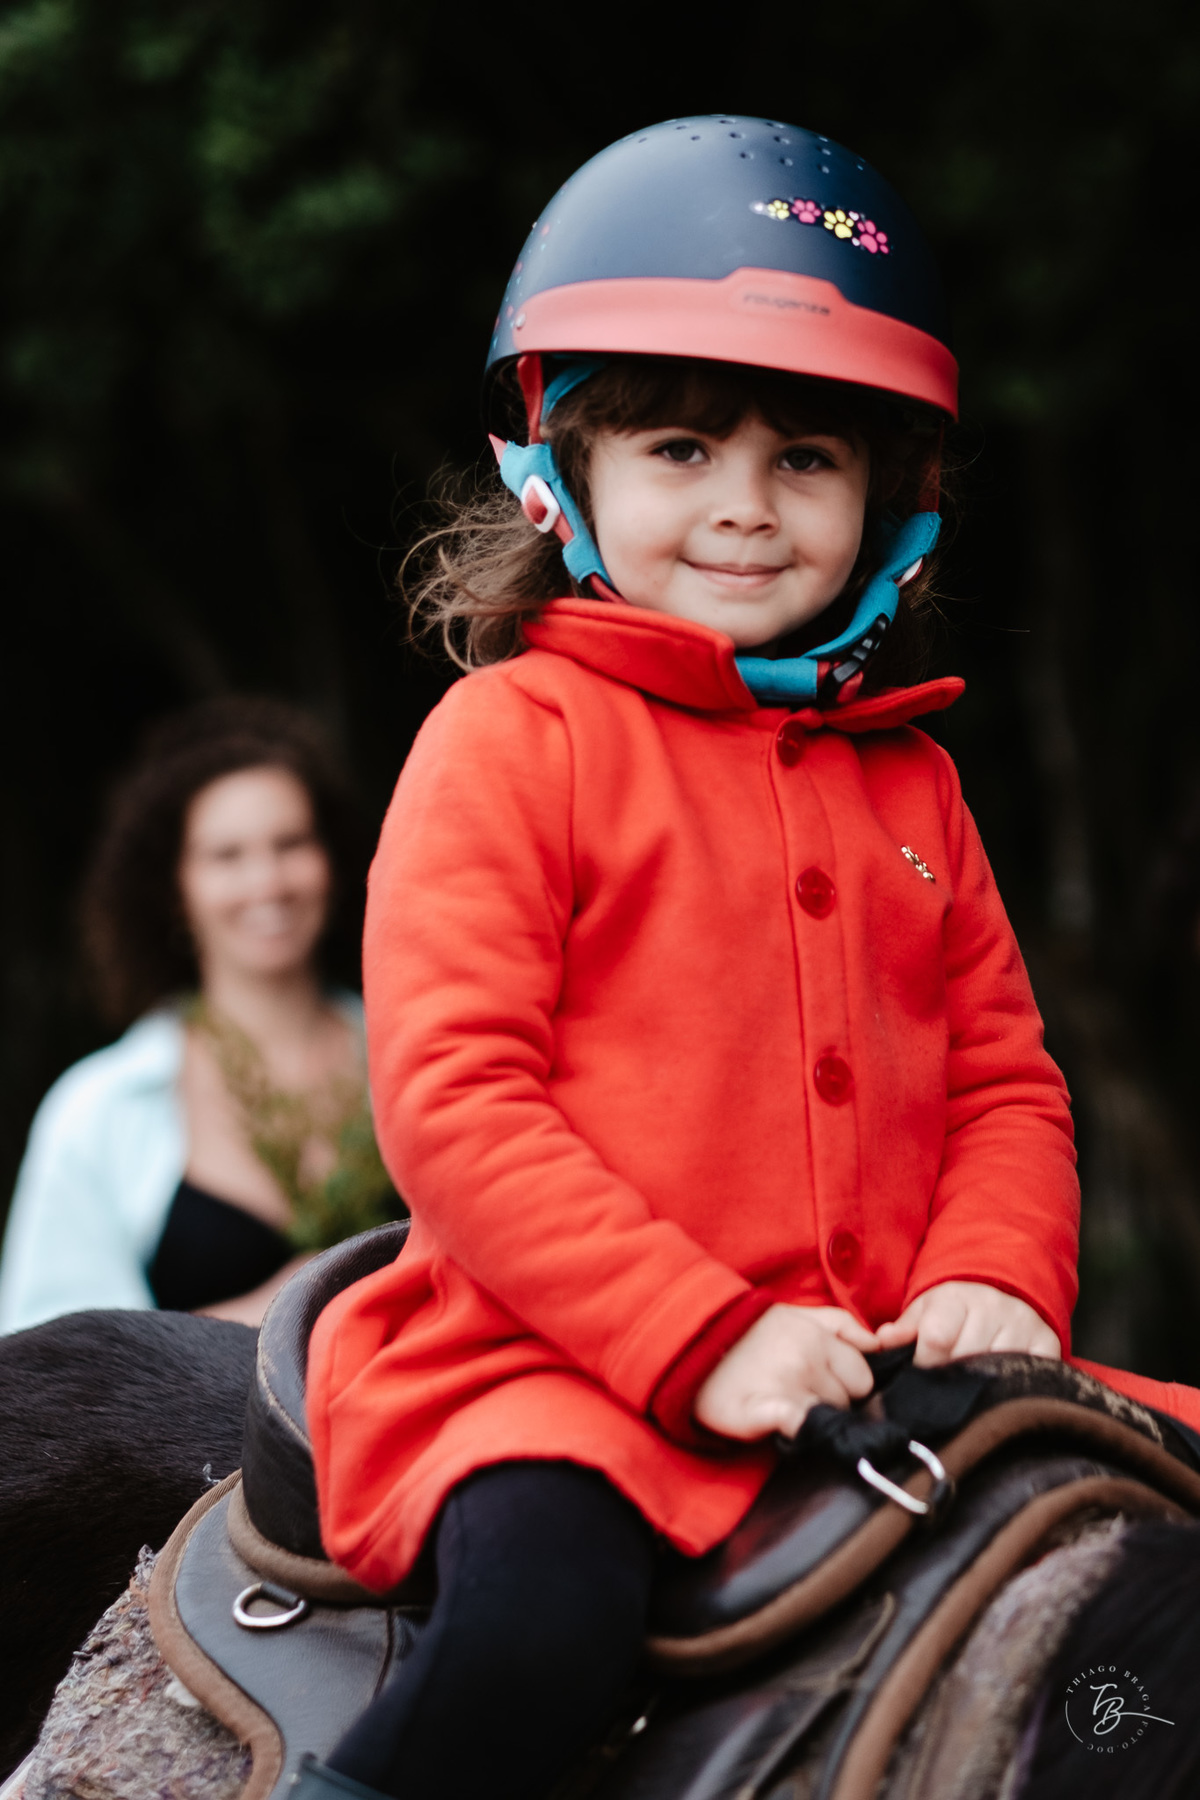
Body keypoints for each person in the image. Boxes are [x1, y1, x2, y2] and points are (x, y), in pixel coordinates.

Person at [300, 119, 1080, 1800]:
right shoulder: (509, 740)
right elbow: (456, 1100)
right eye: (679, 446)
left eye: (806, 458)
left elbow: (1005, 1082)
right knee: (546, 1631)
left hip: (881, 1369)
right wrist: (702, 1335)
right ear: (566, 474)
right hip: (556, 1374)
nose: (743, 505)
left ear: (891, 502)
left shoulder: (917, 785)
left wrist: (1000, 1271)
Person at [0, 697, 397, 1334]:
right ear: (174, 890)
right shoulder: (99, 1111)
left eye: (291, 843)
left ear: (332, 862)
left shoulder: (414, 1053)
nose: (267, 881)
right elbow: (51, 1359)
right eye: (226, 856)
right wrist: (293, 1302)